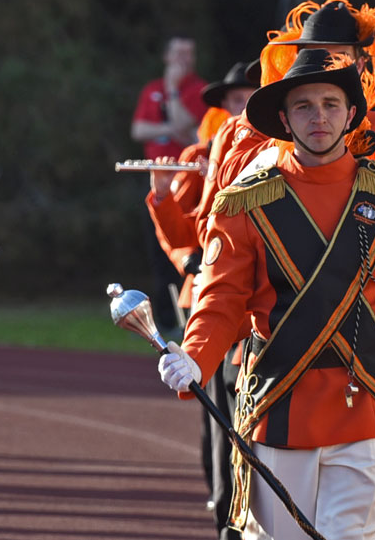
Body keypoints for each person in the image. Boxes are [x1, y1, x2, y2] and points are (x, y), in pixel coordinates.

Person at [156, 49, 375, 540]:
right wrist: (196, 356)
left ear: (352, 113)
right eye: (304, 106)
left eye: (331, 104)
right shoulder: (246, 200)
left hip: (370, 410)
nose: (319, 117)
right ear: (283, 118)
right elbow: (222, 298)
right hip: (279, 410)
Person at [146, 60, 258, 540]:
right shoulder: (203, 154)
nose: (242, 108)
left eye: (251, 98)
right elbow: (182, 233)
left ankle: (254, 504)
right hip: (212, 296)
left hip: (262, 302)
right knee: (219, 409)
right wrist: (164, 197)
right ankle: (225, 504)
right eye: (236, 101)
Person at [131, 34, 207, 334]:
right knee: (158, 252)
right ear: (166, 56)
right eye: (178, 54)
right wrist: (169, 128)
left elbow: (187, 127)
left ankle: (185, 316)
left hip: (187, 183)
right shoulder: (151, 89)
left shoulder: (198, 89)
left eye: (189, 54)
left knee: (184, 250)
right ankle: (164, 319)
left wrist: (174, 91)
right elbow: (139, 129)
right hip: (157, 181)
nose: (183, 60)